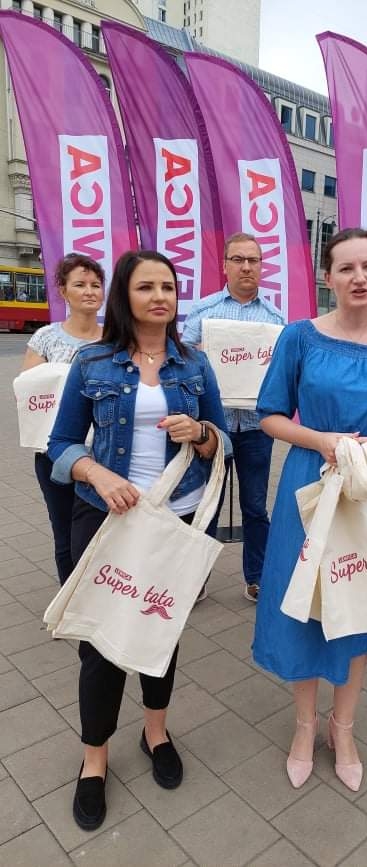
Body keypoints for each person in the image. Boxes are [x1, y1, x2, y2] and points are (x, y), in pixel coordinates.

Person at [48, 250, 228, 831]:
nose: (160, 296)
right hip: (106, 518)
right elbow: (60, 443)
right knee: (101, 645)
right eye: (146, 286)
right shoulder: (92, 362)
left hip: (176, 519)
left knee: (160, 631)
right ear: (124, 295)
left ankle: (155, 733)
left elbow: (222, 439)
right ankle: (94, 758)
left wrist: (201, 432)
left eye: (168, 287)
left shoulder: (195, 363)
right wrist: (98, 474)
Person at [253, 228, 367, 792]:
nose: (359, 277)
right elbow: (269, 415)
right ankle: (305, 726)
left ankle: (343, 727)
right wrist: (323, 440)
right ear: (328, 277)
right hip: (309, 484)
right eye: (346, 268)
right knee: (307, 606)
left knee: (359, 601)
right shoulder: (300, 337)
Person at [182, 232, 284, 602]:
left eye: (253, 260)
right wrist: (198, 353)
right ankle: (194, 579)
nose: (246, 267)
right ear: (224, 265)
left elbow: (282, 375)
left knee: (255, 507)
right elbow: (181, 363)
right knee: (206, 504)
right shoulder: (203, 312)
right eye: (238, 259)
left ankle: (257, 577)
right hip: (213, 427)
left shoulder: (275, 320)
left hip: (257, 428)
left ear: (262, 267)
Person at [21, 254, 105, 585]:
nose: (89, 291)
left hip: (104, 454)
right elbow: (29, 395)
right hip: (55, 453)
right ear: (63, 290)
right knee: (65, 532)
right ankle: (68, 602)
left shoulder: (115, 339)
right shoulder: (45, 338)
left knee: (103, 532)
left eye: (96, 285)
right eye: (80, 284)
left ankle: (100, 598)